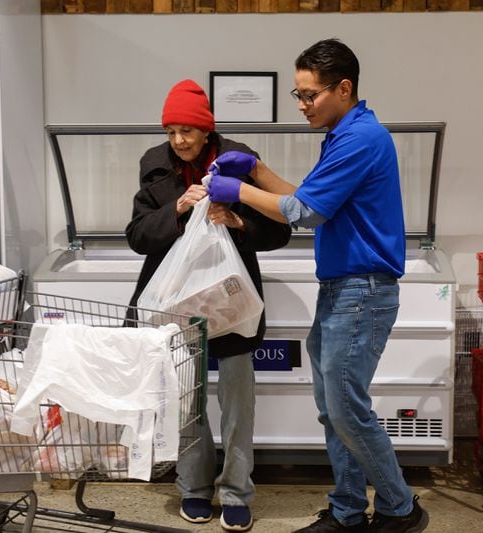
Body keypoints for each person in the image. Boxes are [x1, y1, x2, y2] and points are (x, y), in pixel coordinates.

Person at [206, 39, 428, 533]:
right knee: (333, 409)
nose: (303, 105)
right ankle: (348, 512)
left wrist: (237, 191)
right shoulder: (342, 136)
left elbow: (306, 213)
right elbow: (306, 196)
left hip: (362, 290)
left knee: (347, 408)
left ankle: (400, 507)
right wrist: (258, 171)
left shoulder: (362, 139)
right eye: (298, 94)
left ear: (344, 88)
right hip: (340, 289)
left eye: (310, 95)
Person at [125, 79, 291, 532]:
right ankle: (195, 489)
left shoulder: (238, 158)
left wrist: (236, 220)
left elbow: (280, 229)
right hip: (175, 301)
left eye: (188, 131)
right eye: (171, 130)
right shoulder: (153, 164)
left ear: (207, 130)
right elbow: (138, 236)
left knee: (238, 401)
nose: (179, 140)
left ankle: (237, 492)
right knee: (187, 401)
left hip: (230, 300)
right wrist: (178, 208)